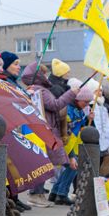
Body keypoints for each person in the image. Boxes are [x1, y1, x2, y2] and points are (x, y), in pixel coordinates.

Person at [21, 62, 77, 208]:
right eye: (44, 73)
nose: (47, 76)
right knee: (43, 161)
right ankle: (35, 194)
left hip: (40, 128)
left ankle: (39, 194)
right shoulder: (41, 90)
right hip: (46, 129)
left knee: (43, 161)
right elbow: (55, 105)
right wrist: (71, 93)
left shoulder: (35, 89)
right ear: (38, 75)